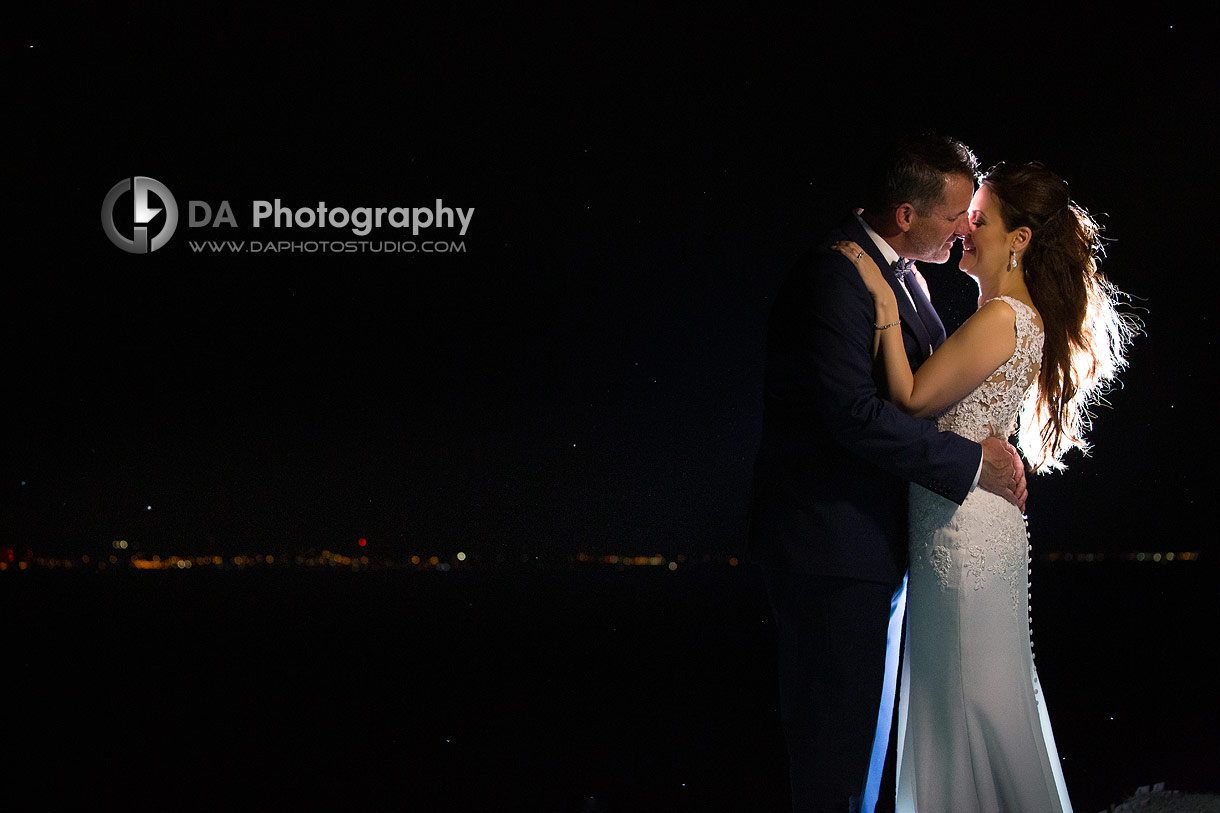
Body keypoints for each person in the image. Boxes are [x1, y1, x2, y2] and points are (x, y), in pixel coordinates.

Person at [832, 160, 1135, 811]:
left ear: (1018, 239)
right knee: (974, 699)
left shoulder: (1003, 318)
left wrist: (885, 306)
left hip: (964, 536)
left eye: (981, 219)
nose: (966, 230)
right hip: (965, 527)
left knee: (968, 701)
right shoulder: (1011, 318)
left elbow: (911, 400)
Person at [746, 134, 1027, 813]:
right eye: (955, 214)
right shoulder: (835, 276)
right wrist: (970, 462)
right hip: (831, 548)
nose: (964, 227)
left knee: (863, 748)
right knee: (835, 749)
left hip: (879, 548)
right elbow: (851, 413)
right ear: (906, 214)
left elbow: (923, 398)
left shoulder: (902, 277)